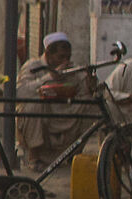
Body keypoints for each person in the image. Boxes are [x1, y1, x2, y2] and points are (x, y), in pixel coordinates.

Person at [14, 31, 93, 171]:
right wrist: (50, 77)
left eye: (67, 57)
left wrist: (90, 82)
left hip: (63, 111)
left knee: (89, 106)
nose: (65, 61)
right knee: (33, 107)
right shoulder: (33, 66)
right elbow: (20, 92)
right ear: (49, 55)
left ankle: (74, 154)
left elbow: (84, 89)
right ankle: (35, 157)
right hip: (42, 113)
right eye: (61, 57)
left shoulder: (71, 68)